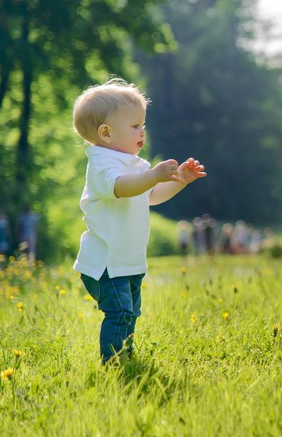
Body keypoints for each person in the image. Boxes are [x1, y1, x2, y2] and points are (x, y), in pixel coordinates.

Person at [72, 78, 207, 364]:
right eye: (135, 126)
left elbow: (152, 195)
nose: (142, 132)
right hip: (106, 263)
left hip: (129, 260)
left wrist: (179, 180)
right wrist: (152, 176)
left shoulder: (137, 165)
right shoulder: (102, 164)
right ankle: (113, 362)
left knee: (131, 311)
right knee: (120, 312)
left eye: (143, 125)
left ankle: (126, 355)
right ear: (106, 133)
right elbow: (121, 188)